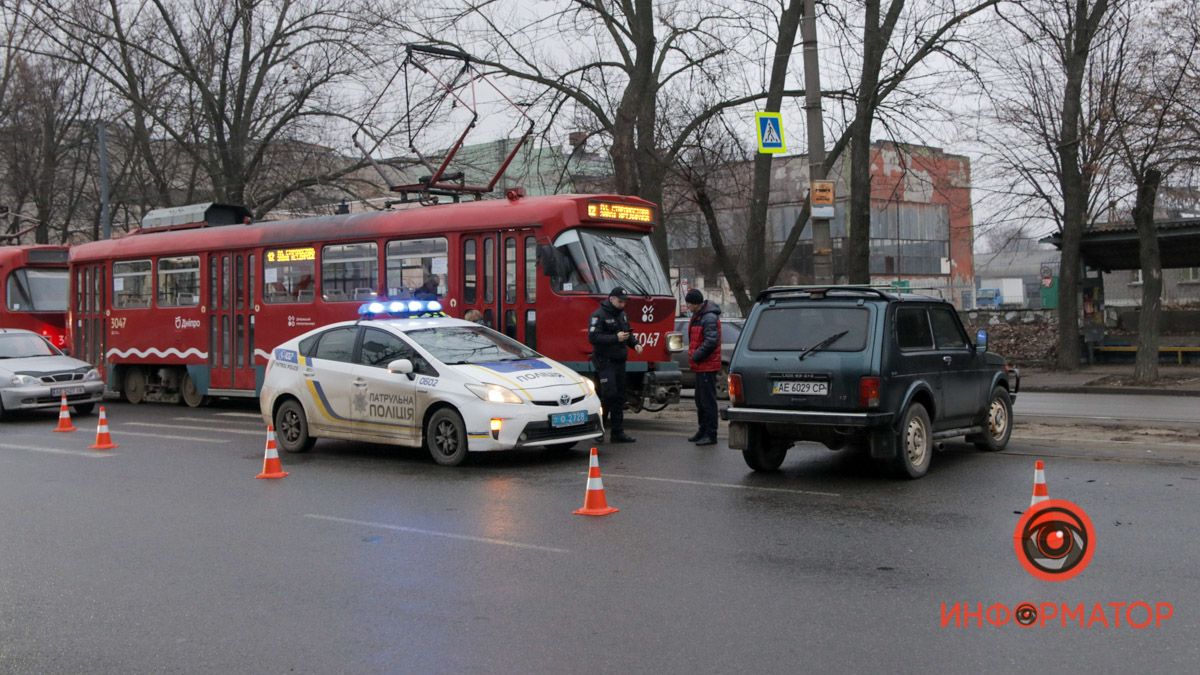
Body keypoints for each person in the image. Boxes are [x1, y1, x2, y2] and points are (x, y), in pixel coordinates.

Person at [588, 286, 642, 443]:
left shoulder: (622, 315)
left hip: (619, 360)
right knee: (608, 394)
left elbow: (627, 334)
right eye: (620, 301)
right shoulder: (599, 315)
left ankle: (618, 433)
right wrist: (614, 338)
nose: (623, 304)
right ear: (611, 299)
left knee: (619, 396)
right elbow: (593, 337)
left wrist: (635, 343)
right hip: (604, 360)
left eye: (624, 302)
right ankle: (599, 429)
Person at [685, 289, 722, 445]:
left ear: (695, 304)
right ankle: (702, 430)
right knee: (700, 400)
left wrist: (696, 355)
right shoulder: (699, 316)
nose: (687, 307)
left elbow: (711, 341)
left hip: (707, 365)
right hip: (701, 366)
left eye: (688, 304)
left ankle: (711, 433)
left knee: (707, 401)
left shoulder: (709, 318)